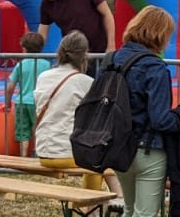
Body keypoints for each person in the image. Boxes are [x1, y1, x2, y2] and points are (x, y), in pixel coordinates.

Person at [109, 6, 180, 217]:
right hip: (149, 149)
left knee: (130, 211)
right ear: (161, 34)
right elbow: (161, 118)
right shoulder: (155, 68)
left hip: (119, 148)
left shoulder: (114, 59)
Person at [33, 31, 123, 199]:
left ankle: (117, 198)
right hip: (66, 153)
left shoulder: (43, 77)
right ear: (84, 56)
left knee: (94, 154)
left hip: (43, 152)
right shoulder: (85, 82)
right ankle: (95, 206)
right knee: (97, 154)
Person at [32, 0, 115, 61]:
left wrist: (111, 45)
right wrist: (32, 54)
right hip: (72, 57)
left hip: (99, 52)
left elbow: (107, 15)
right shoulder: (47, 4)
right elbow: (42, 34)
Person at [4, 32, 49, 158]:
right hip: (38, 102)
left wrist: (7, 103)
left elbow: (10, 87)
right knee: (38, 128)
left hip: (22, 102)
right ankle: (38, 153)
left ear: (24, 48)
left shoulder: (20, 65)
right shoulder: (46, 64)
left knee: (22, 131)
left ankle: (23, 155)